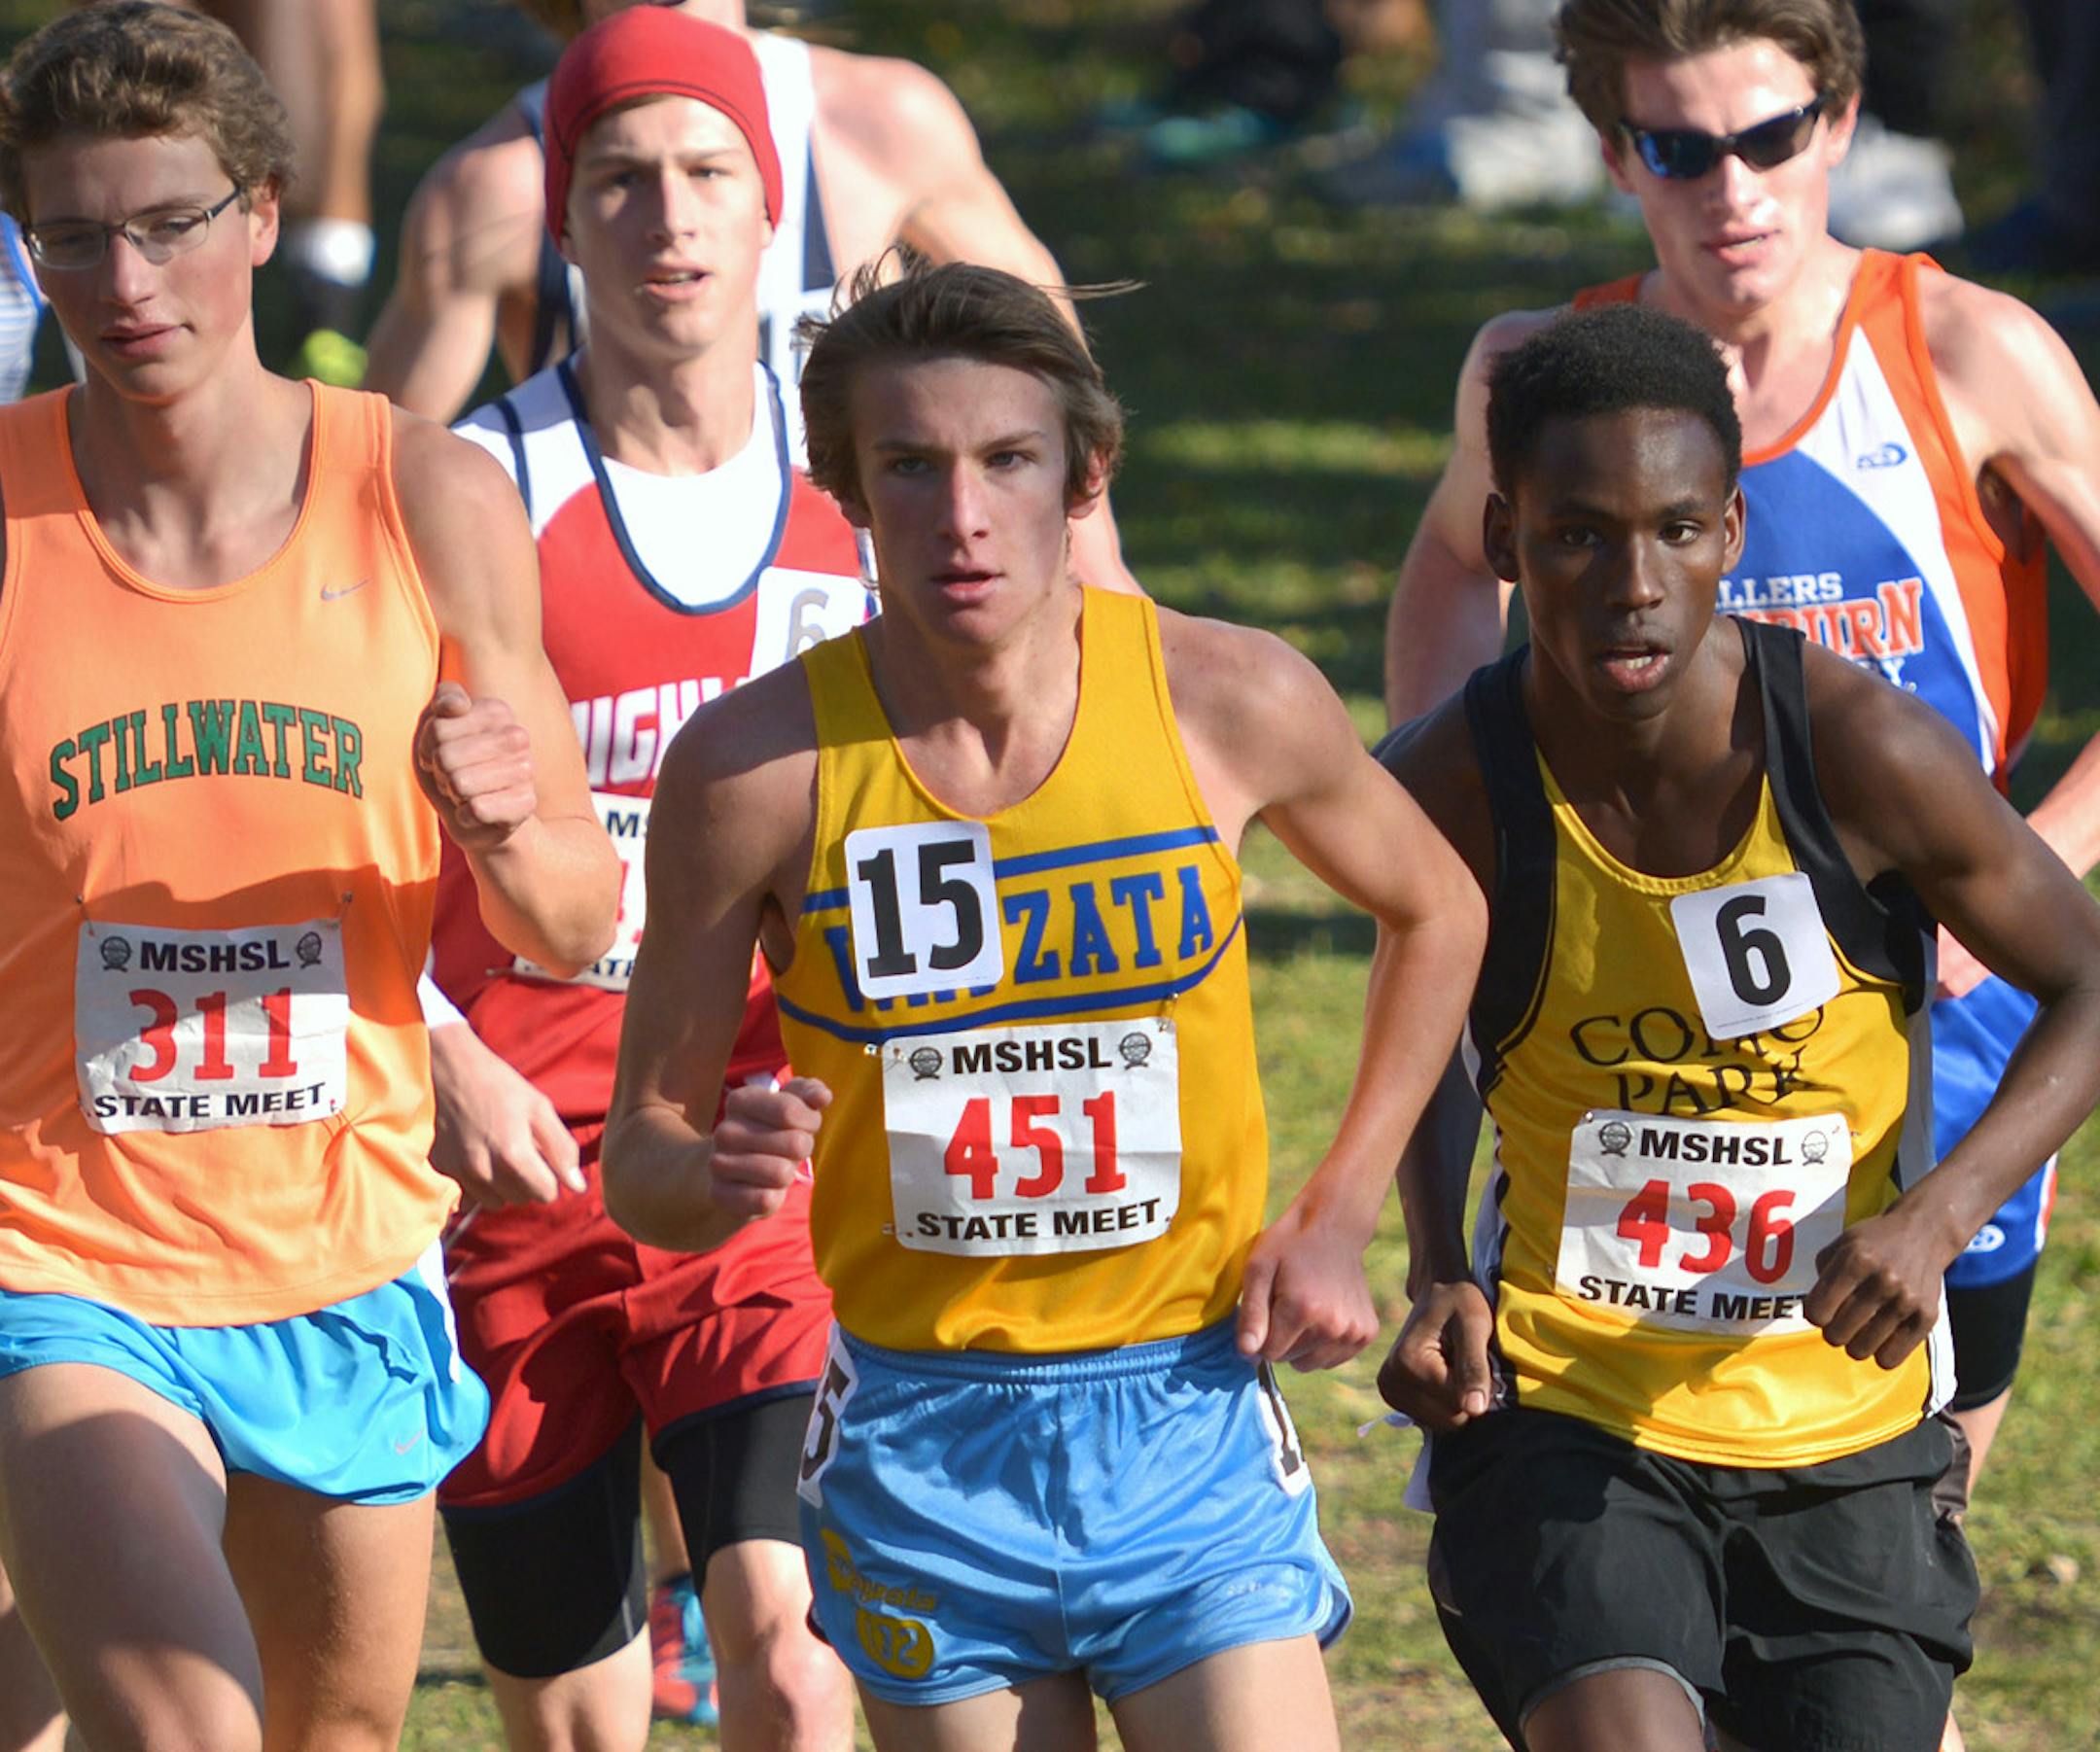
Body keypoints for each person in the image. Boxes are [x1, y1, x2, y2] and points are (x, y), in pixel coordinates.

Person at [599, 259, 1484, 1750]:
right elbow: (646, 1161)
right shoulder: (753, 770)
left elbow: (1437, 905)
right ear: (845, 489)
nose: (962, 515)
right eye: (911, 466)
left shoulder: (1228, 697)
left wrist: (1337, 1210)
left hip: (1186, 1412)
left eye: (1006, 460)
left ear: (1085, 473)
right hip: (922, 1436)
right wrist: (718, 1167)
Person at [1383, 0, 2100, 1541]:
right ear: (1613, 154)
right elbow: (1455, 561)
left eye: (1770, 139)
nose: (1734, 191)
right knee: (1621, 1535)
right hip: (1608, 1046)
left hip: (1920, 1038)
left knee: (1900, 1551)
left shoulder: (1965, 351)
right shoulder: (1542, 380)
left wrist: (2026, 867)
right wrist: (1441, 827)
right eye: (1681, 149)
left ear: (1839, 122)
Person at [0, 8, 619, 1752]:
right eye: (72, 236)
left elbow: (578, 921)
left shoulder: (424, 495)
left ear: (265, 212)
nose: (125, 281)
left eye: (169, 222)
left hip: (341, 1249)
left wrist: (505, 826)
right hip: (64, 1258)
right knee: (182, 1725)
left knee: (326, 1733)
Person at [423, 11, 865, 1750]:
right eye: (621, 180)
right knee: (579, 1712)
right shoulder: (473, 482)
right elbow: (348, 836)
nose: (668, 220)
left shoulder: (868, 469)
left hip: (762, 1147)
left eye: (709, 177)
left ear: (774, 209)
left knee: (789, 1635)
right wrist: (437, 1052)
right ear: (560, 215)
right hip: (510, 1167)